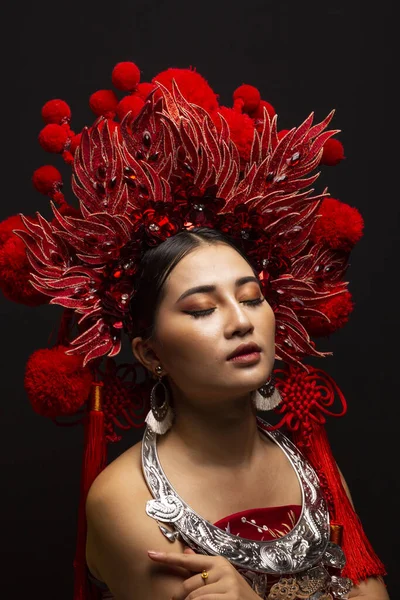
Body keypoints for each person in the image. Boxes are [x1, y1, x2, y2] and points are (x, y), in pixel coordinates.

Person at [0, 59, 389, 599]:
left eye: (252, 298)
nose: (240, 321)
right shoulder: (125, 500)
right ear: (149, 351)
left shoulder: (315, 469)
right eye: (202, 309)